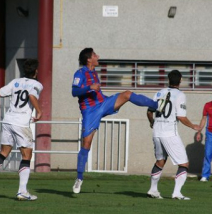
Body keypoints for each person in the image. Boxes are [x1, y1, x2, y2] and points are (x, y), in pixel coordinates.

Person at [71, 48, 167, 194]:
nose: (98, 56)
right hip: (90, 112)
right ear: (89, 59)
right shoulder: (80, 73)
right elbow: (74, 91)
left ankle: (156, 105)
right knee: (86, 144)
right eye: (95, 55)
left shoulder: (94, 72)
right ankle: (79, 178)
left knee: (127, 94)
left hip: (103, 103)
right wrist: (89, 87)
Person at [0, 59, 43, 201]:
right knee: (26, 155)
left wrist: (15, 91)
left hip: (8, 120)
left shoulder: (16, 81)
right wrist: (39, 112)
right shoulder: (37, 84)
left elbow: (1, 92)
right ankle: (22, 191)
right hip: (21, 122)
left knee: (3, 152)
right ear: (36, 71)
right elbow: (31, 95)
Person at [146, 70, 200, 200]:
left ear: (168, 79)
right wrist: (193, 126)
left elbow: (149, 112)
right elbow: (181, 117)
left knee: (160, 161)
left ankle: (153, 190)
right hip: (169, 133)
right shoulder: (180, 95)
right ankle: (177, 193)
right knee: (184, 164)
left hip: (157, 132)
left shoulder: (159, 93)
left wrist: (152, 122)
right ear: (180, 80)